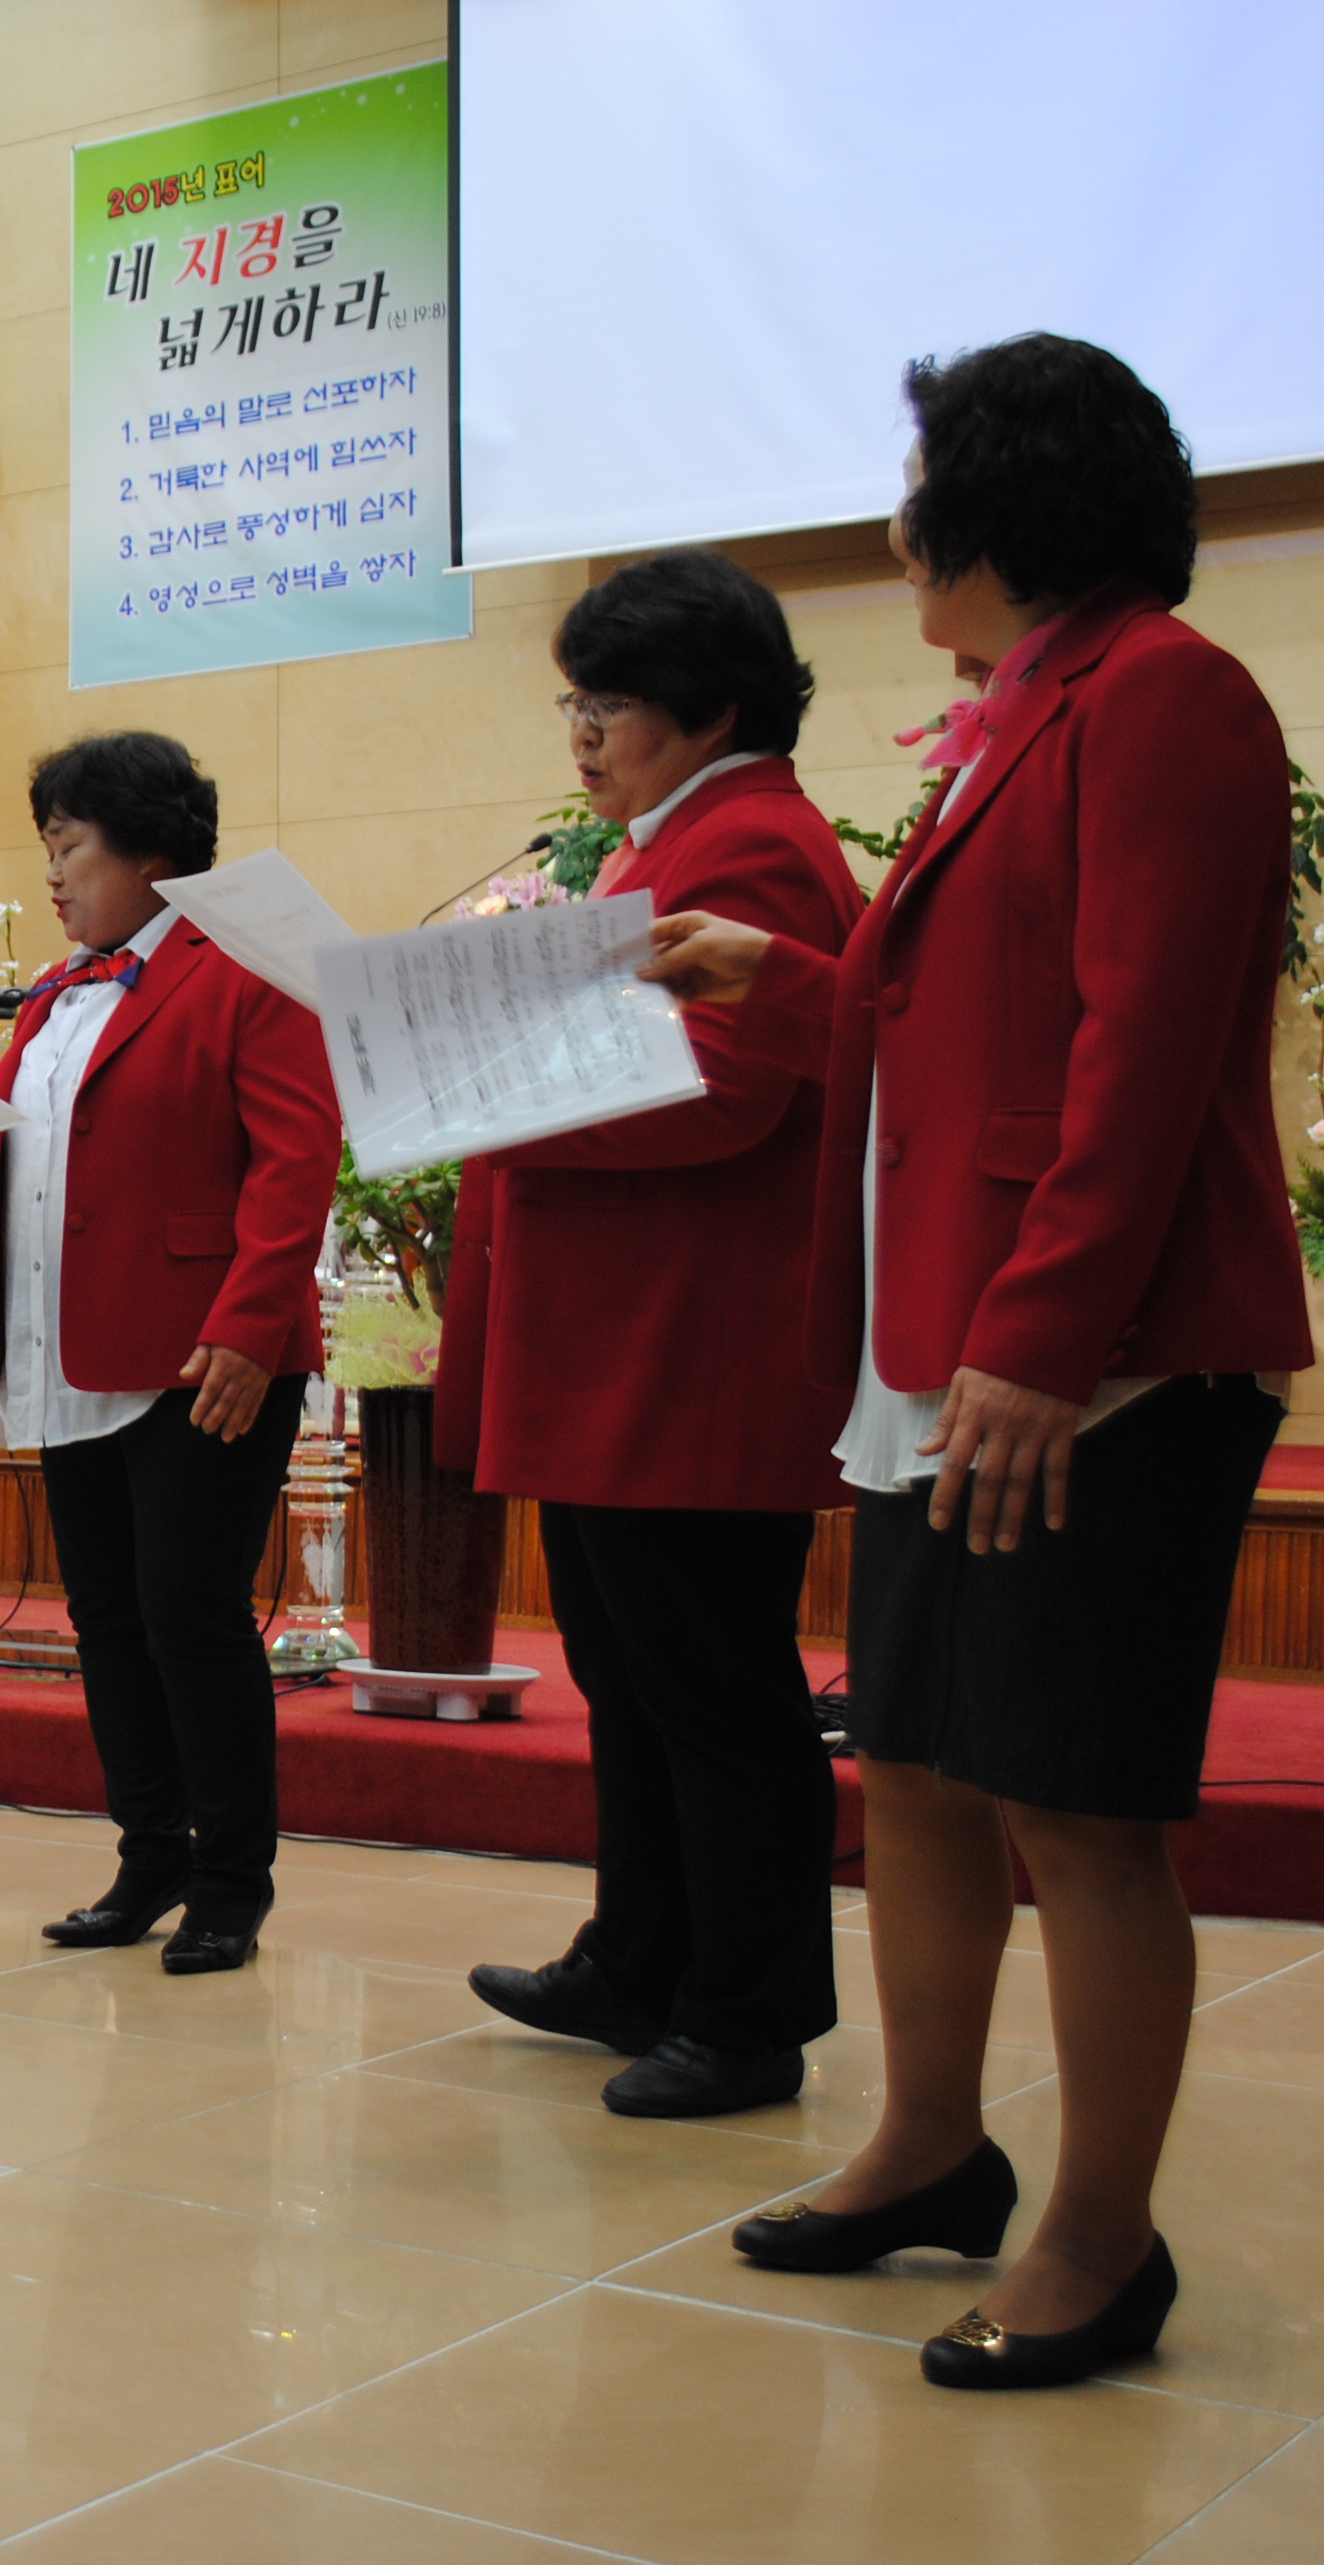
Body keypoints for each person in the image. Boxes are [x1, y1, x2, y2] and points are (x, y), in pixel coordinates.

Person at [642, 334, 1310, 2389]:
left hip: (1091, 1359)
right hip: (943, 1336)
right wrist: (788, 973)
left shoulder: (1166, 696)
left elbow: (1143, 1045)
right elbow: (957, 1024)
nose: (893, 525)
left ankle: (1102, 2237)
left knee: (1077, 1806)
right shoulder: (1020, 711)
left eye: (916, 481)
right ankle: (930, 2144)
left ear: (1001, 506)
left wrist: (1041, 1335)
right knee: (919, 1769)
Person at [437, 553, 868, 2113]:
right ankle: (639, 1960)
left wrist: (484, 1091)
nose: (582, 732)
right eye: (575, 699)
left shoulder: (750, 843)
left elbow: (725, 1085)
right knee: (631, 1671)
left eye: (608, 702)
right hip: (629, 1335)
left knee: (714, 1686)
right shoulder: (671, 837)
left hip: (691, 1344)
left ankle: (747, 2013)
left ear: (711, 708)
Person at [0, 734, 338, 1975]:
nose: (50, 874)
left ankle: (230, 1882)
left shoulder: (243, 968)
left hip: (201, 1356)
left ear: (150, 853)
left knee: (190, 1616)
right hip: (68, 1347)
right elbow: (29, 1156)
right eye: (46, 849)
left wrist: (248, 1325)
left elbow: (294, 1159)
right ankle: (149, 1856)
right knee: (106, 1621)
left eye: (68, 847)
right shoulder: (51, 994)